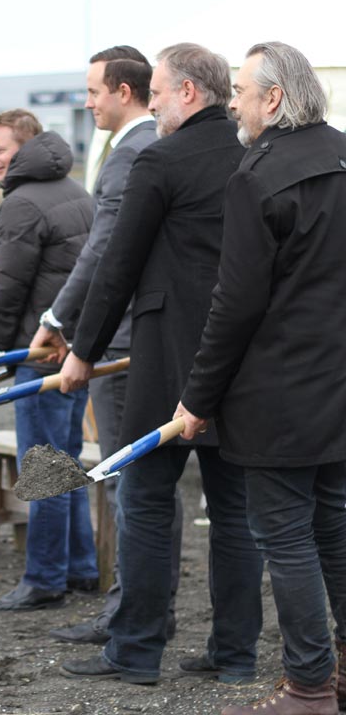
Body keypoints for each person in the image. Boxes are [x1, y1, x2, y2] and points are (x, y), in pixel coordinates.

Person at [57, 43, 264, 686]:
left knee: (145, 500)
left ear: (189, 94)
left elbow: (117, 265)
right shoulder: (252, 158)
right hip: (239, 360)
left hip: (165, 357)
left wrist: (82, 352)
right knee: (234, 512)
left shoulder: (158, 160)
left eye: (159, 92)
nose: (151, 103)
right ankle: (235, 657)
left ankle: (136, 651)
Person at [175, 42, 346, 715]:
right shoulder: (343, 154)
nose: (235, 103)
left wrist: (197, 395)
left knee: (286, 534)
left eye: (242, 91)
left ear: (274, 99)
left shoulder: (258, 176)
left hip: (278, 392)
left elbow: (235, 302)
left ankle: (308, 686)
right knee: (334, 526)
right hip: (338, 385)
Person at [30, 45, 180, 644]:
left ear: (124, 91)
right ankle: (148, 609)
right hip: (155, 335)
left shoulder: (131, 155)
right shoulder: (155, 147)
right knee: (144, 482)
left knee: (128, 480)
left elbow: (105, 253)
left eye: (93, 90)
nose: (86, 101)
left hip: (124, 342)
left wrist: (59, 321)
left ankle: (135, 614)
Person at [0, 108, 97, 612]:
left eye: (0, 150)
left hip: (40, 356)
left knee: (43, 470)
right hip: (76, 351)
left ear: (26, 147)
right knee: (66, 462)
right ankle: (81, 567)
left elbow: (6, 296)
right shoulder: (75, 190)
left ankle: (43, 579)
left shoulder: (22, 204)